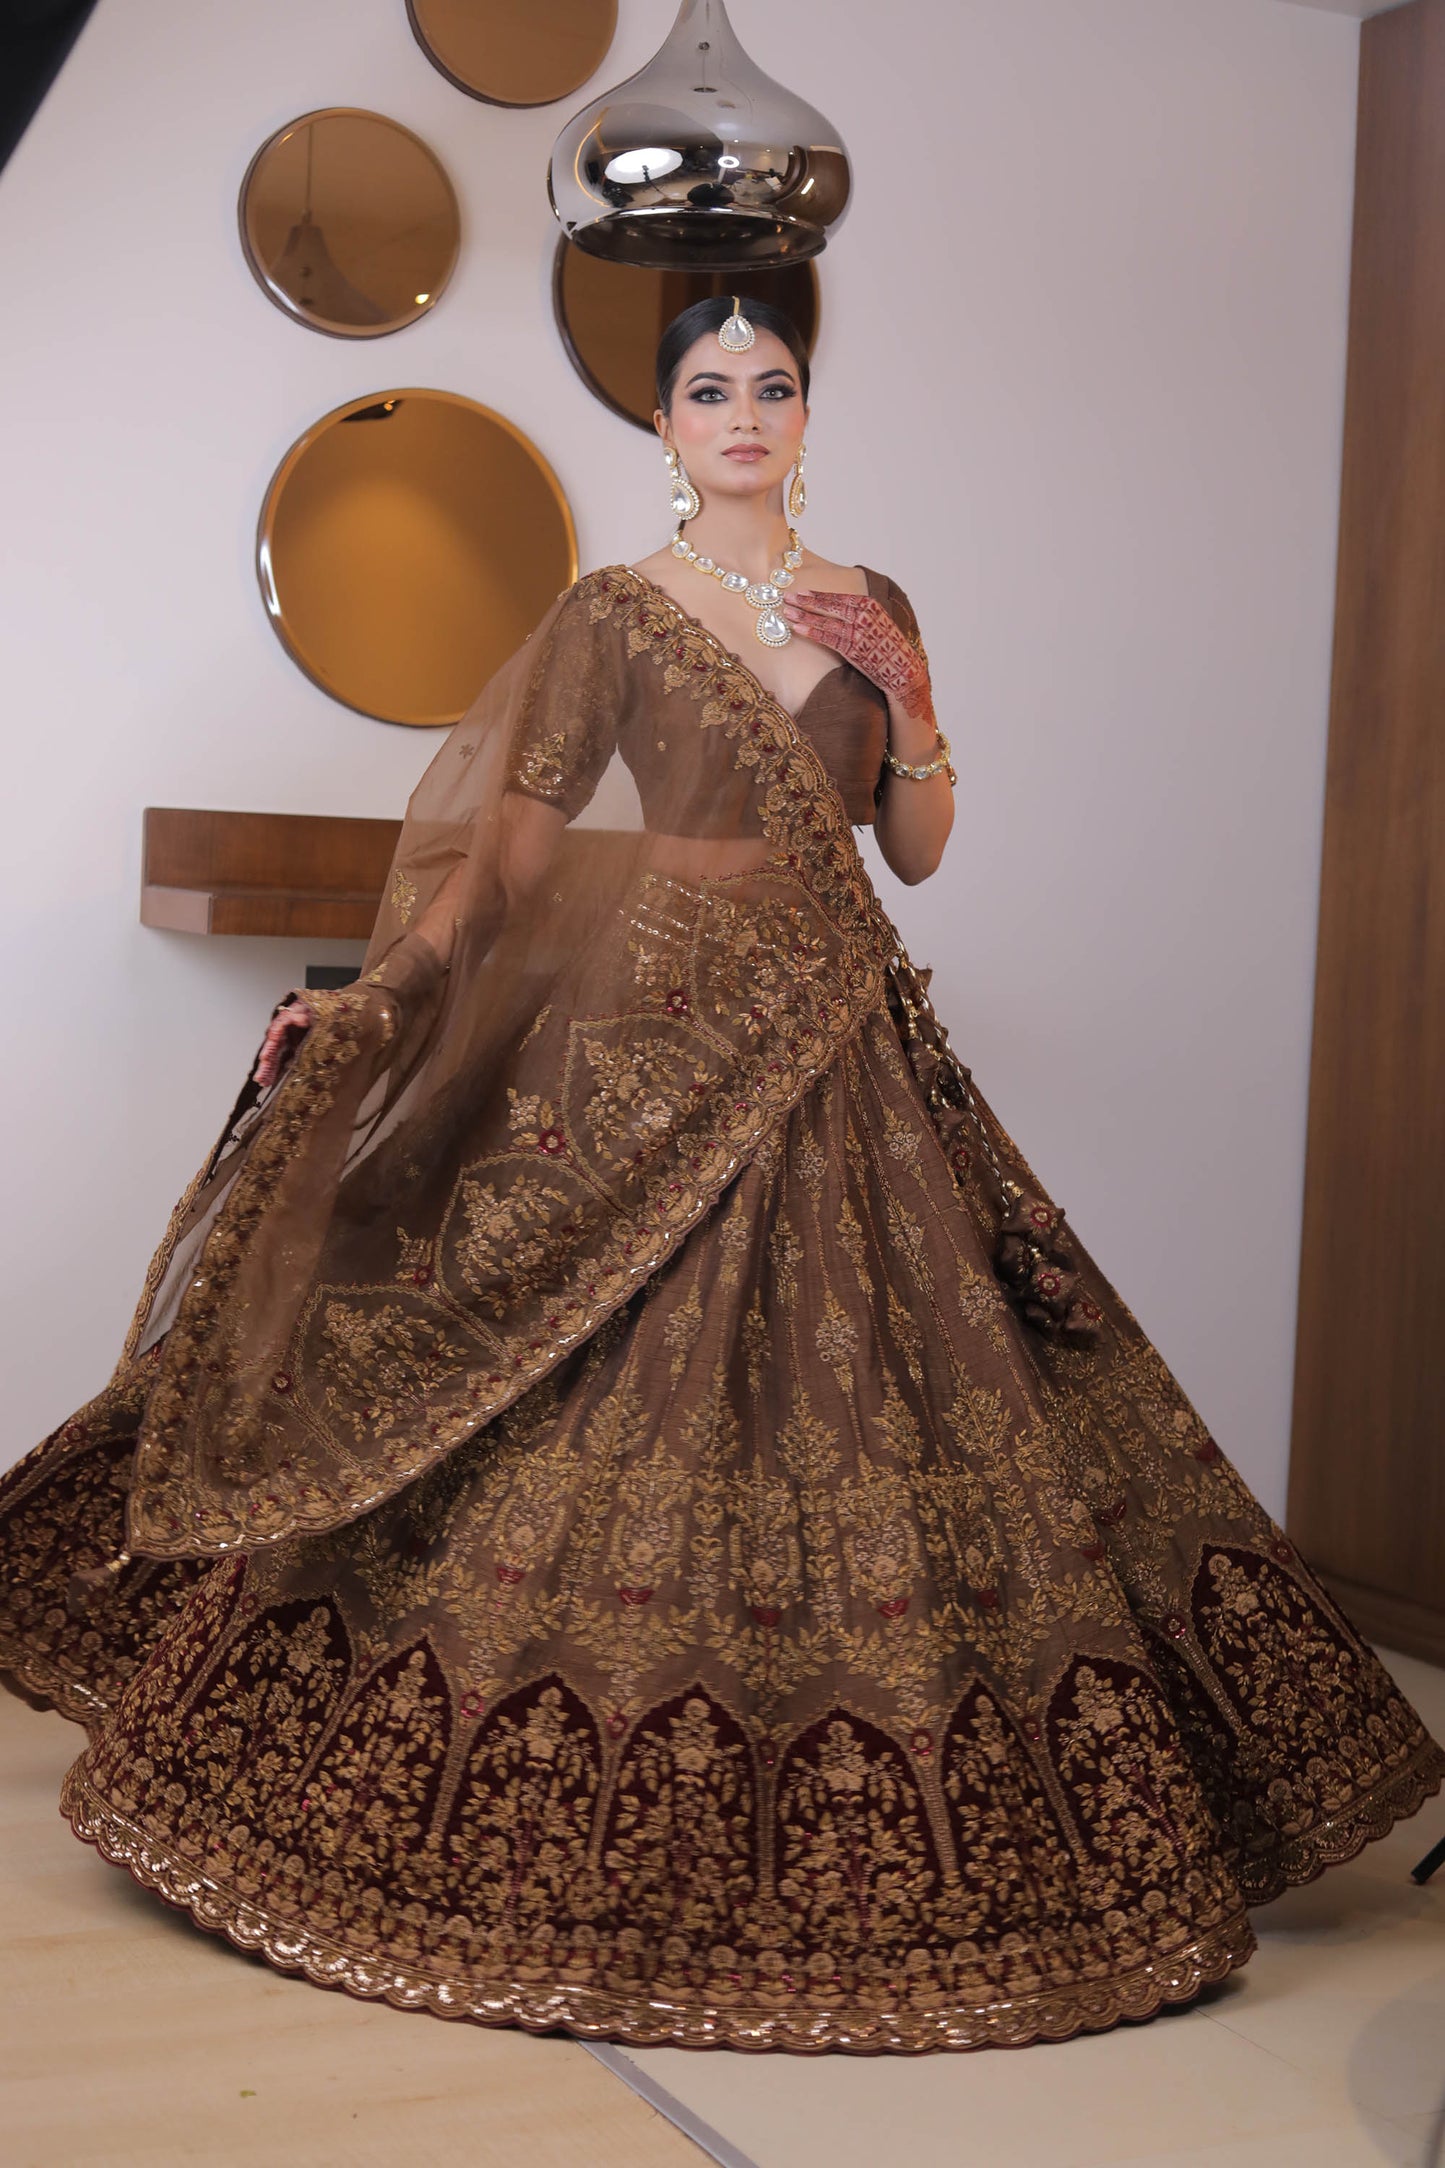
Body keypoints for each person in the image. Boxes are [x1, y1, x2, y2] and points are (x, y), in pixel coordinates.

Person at [1, 295, 1439, 2055]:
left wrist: (909, 697)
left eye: (769, 386)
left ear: (803, 413)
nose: (741, 412)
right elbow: (504, 858)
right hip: (660, 1036)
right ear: (666, 427)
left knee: (891, 1391)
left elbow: (915, 852)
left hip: (838, 1034)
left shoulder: (871, 604)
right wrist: (382, 999)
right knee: (562, 1369)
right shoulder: (613, 616)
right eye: (707, 390)